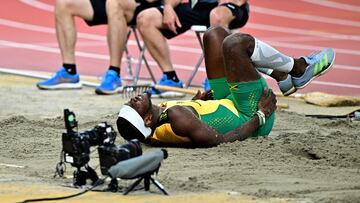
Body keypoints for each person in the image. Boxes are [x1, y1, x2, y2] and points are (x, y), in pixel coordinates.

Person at [116, 26, 335, 148]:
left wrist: (196, 106)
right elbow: (217, 141)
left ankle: (282, 76)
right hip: (248, 113)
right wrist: (261, 115)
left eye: (128, 103)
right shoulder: (176, 117)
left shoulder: (162, 117)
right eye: (133, 106)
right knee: (236, 44)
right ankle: (298, 69)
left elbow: (180, 125)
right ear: (146, 120)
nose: (131, 100)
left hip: (224, 104)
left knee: (214, 35)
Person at [36, 0, 161, 95]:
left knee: (114, 3)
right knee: (64, 3)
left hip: (141, 4)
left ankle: (114, 74)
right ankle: (69, 72)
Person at [136, 0, 218, 98]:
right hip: (192, 6)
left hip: (219, 7)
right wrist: (169, 7)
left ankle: (217, 79)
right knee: (145, 19)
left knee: (218, 16)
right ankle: (171, 78)